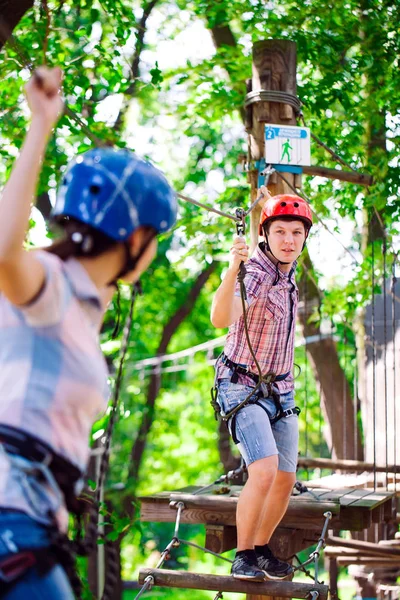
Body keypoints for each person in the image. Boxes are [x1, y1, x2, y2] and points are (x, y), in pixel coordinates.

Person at [0, 67, 177, 598]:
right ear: (137, 235)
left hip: (36, 523)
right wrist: (41, 125)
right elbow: (5, 252)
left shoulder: (85, 304)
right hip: (11, 518)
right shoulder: (49, 285)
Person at [211, 188, 313, 582]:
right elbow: (221, 317)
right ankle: (243, 556)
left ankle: (261, 547)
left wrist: (268, 201)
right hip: (240, 386)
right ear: (264, 235)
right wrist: (231, 270)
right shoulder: (252, 273)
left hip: (280, 390)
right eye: (280, 232)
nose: (289, 240)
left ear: (304, 239)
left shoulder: (289, 280)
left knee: (286, 476)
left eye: (296, 233)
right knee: (266, 470)